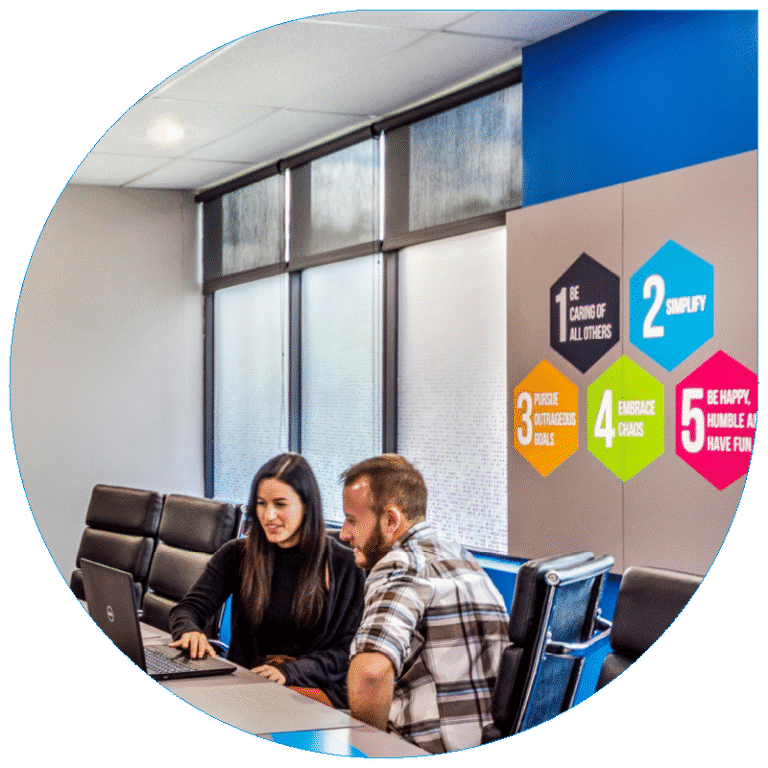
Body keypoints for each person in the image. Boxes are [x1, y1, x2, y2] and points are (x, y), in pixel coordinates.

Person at [339, 454, 509, 754]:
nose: (344, 533)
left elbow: (370, 674)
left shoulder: (401, 566)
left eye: (352, 520)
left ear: (391, 520)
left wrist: (363, 749)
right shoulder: (460, 557)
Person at [169, 453, 365, 709]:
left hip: (313, 692)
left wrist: (290, 673)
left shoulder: (345, 566)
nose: (268, 515)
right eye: (261, 504)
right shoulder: (237, 554)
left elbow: (347, 652)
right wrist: (190, 631)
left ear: (307, 505)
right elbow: (187, 609)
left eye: (280, 504)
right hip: (247, 686)